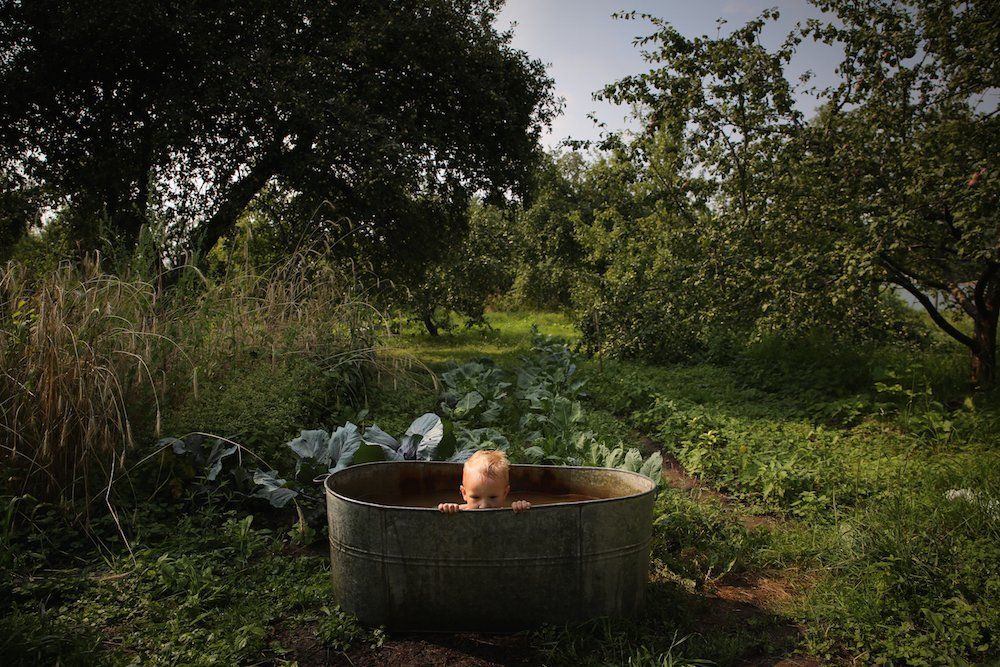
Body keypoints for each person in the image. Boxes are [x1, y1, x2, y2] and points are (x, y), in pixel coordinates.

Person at [437, 450, 531, 513]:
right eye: (475, 497)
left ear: (505, 493)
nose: (484, 506)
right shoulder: (462, 509)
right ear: (464, 493)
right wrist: (448, 509)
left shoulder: (507, 510)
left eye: (493, 497)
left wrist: (520, 507)